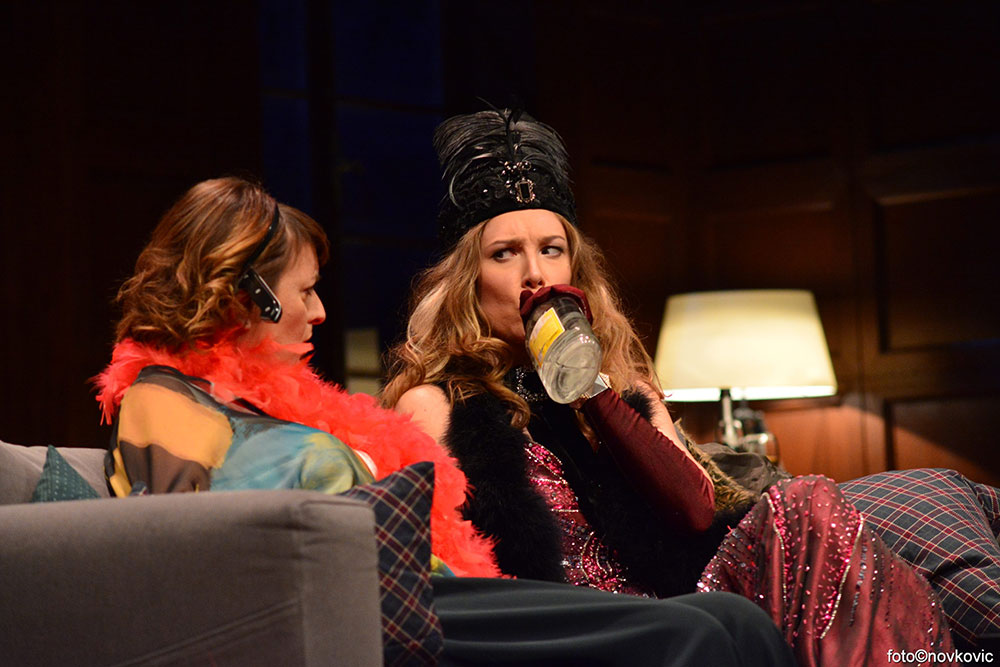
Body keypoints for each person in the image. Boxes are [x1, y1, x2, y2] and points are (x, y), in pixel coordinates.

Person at [94, 175, 797, 667]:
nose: (320, 312)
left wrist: (595, 393)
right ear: (244, 293)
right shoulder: (165, 396)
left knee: (737, 617)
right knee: (698, 635)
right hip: (405, 608)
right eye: (303, 291)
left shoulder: (268, 401)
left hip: (433, 591)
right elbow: (175, 552)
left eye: (551, 249)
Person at [380, 108, 978, 664]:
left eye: (551, 250)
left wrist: (589, 387)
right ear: (468, 279)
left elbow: (695, 512)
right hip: (571, 626)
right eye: (504, 254)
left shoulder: (622, 392)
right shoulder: (433, 403)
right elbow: (442, 573)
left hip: (683, 601)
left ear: (575, 270)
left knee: (815, 503)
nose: (535, 273)